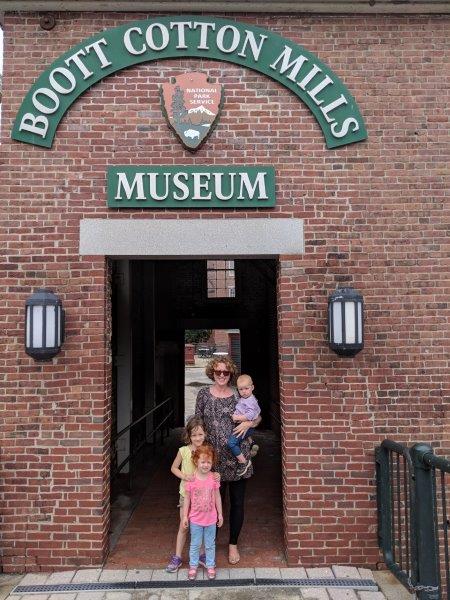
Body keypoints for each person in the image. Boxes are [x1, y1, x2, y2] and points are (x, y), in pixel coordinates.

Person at [195, 356, 261, 565]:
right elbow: (197, 423)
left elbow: (259, 417)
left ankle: (233, 543)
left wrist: (250, 422)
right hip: (212, 461)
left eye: (226, 372)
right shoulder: (203, 395)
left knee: (237, 503)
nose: (222, 375)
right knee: (211, 503)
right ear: (212, 373)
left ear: (231, 374)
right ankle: (210, 544)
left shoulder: (240, 395)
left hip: (237, 458)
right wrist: (195, 452)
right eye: (218, 372)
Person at [165, 416, 219, 573]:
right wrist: (184, 476)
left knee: (202, 525)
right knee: (184, 525)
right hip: (186, 494)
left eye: (200, 434)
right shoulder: (183, 451)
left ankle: (202, 556)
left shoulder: (207, 450)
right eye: (194, 435)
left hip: (203, 496)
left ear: (205, 434)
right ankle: (177, 557)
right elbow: (173, 468)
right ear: (188, 435)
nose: (197, 438)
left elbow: (210, 468)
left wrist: (217, 476)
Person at [183, 444, 223, 580]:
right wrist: (184, 517)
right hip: (195, 519)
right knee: (195, 544)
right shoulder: (191, 479)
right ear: (196, 461)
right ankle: (193, 566)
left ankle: (210, 565)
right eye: (203, 462)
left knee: (210, 544)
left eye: (209, 462)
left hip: (211, 519)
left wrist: (220, 514)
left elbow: (217, 496)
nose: (206, 465)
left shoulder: (213, 478)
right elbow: (187, 499)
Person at [227, 374, 261, 477]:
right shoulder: (245, 398)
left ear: (252, 387)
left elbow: (251, 415)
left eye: (246, 388)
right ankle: (251, 443)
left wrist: (237, 418)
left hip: (245, 427)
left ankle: (243, 462)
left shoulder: (250, 400)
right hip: (245, 427)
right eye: (241, 389)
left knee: (231, 443)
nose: (244, 391)